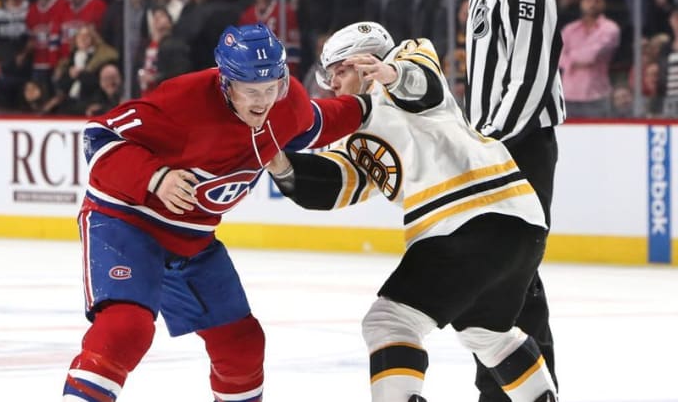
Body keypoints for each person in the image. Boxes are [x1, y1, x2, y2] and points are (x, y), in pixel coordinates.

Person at [61, 23, 364, 401]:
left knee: (242, 344)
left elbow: (317, 123)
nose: (263, 102)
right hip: (127, 220)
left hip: (191, 239)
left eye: (272, 89)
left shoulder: (286, 103)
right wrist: (156, 178)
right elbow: (100, 137)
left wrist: (367, 105)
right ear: (226, 83)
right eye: (251, 91)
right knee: (126, 329)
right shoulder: (183, 101)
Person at [267, 21, 558, 402]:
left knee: (388, 323)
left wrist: (389, 72)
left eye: (339, 71)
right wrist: (277, 163)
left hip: (465, 224)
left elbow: (422, 84)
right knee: (486, 333)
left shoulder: (408, 58)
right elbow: (334, 185)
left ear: (366, 61)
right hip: (518, 227)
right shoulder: (359, 136)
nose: (332, 84)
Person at [465, 0, 566, 401]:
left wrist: (486, 144)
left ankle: (515, 393)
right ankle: (515, 392)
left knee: (512, 277)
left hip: (516, 147)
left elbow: (530, 79)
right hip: (495, 145)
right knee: (494, 278)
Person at [559, 0, 620, 118]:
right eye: (588, 1)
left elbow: (592, 55)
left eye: (597, 1)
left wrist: (571, 56)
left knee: (598, 135)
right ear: (581, 3)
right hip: (568, 94)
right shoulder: (569, 29)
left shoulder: (610, 28)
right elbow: (558, 57)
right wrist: (580, 55)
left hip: (596, 95)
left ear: (604, 4)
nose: (592, 4)